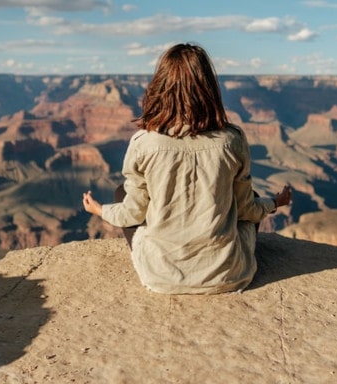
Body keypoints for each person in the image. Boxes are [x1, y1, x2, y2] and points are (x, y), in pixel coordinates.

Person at [82, 43, 291, 294]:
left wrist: (100, 210)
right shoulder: (232, 139)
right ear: (209, 88)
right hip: (228, 275)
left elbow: (133, 215)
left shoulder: (143, 142)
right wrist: (274, 203)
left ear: (160, 87)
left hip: (160, 277)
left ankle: (165, 261)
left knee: (121, 194)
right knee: (253, 197)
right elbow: (247, 210)